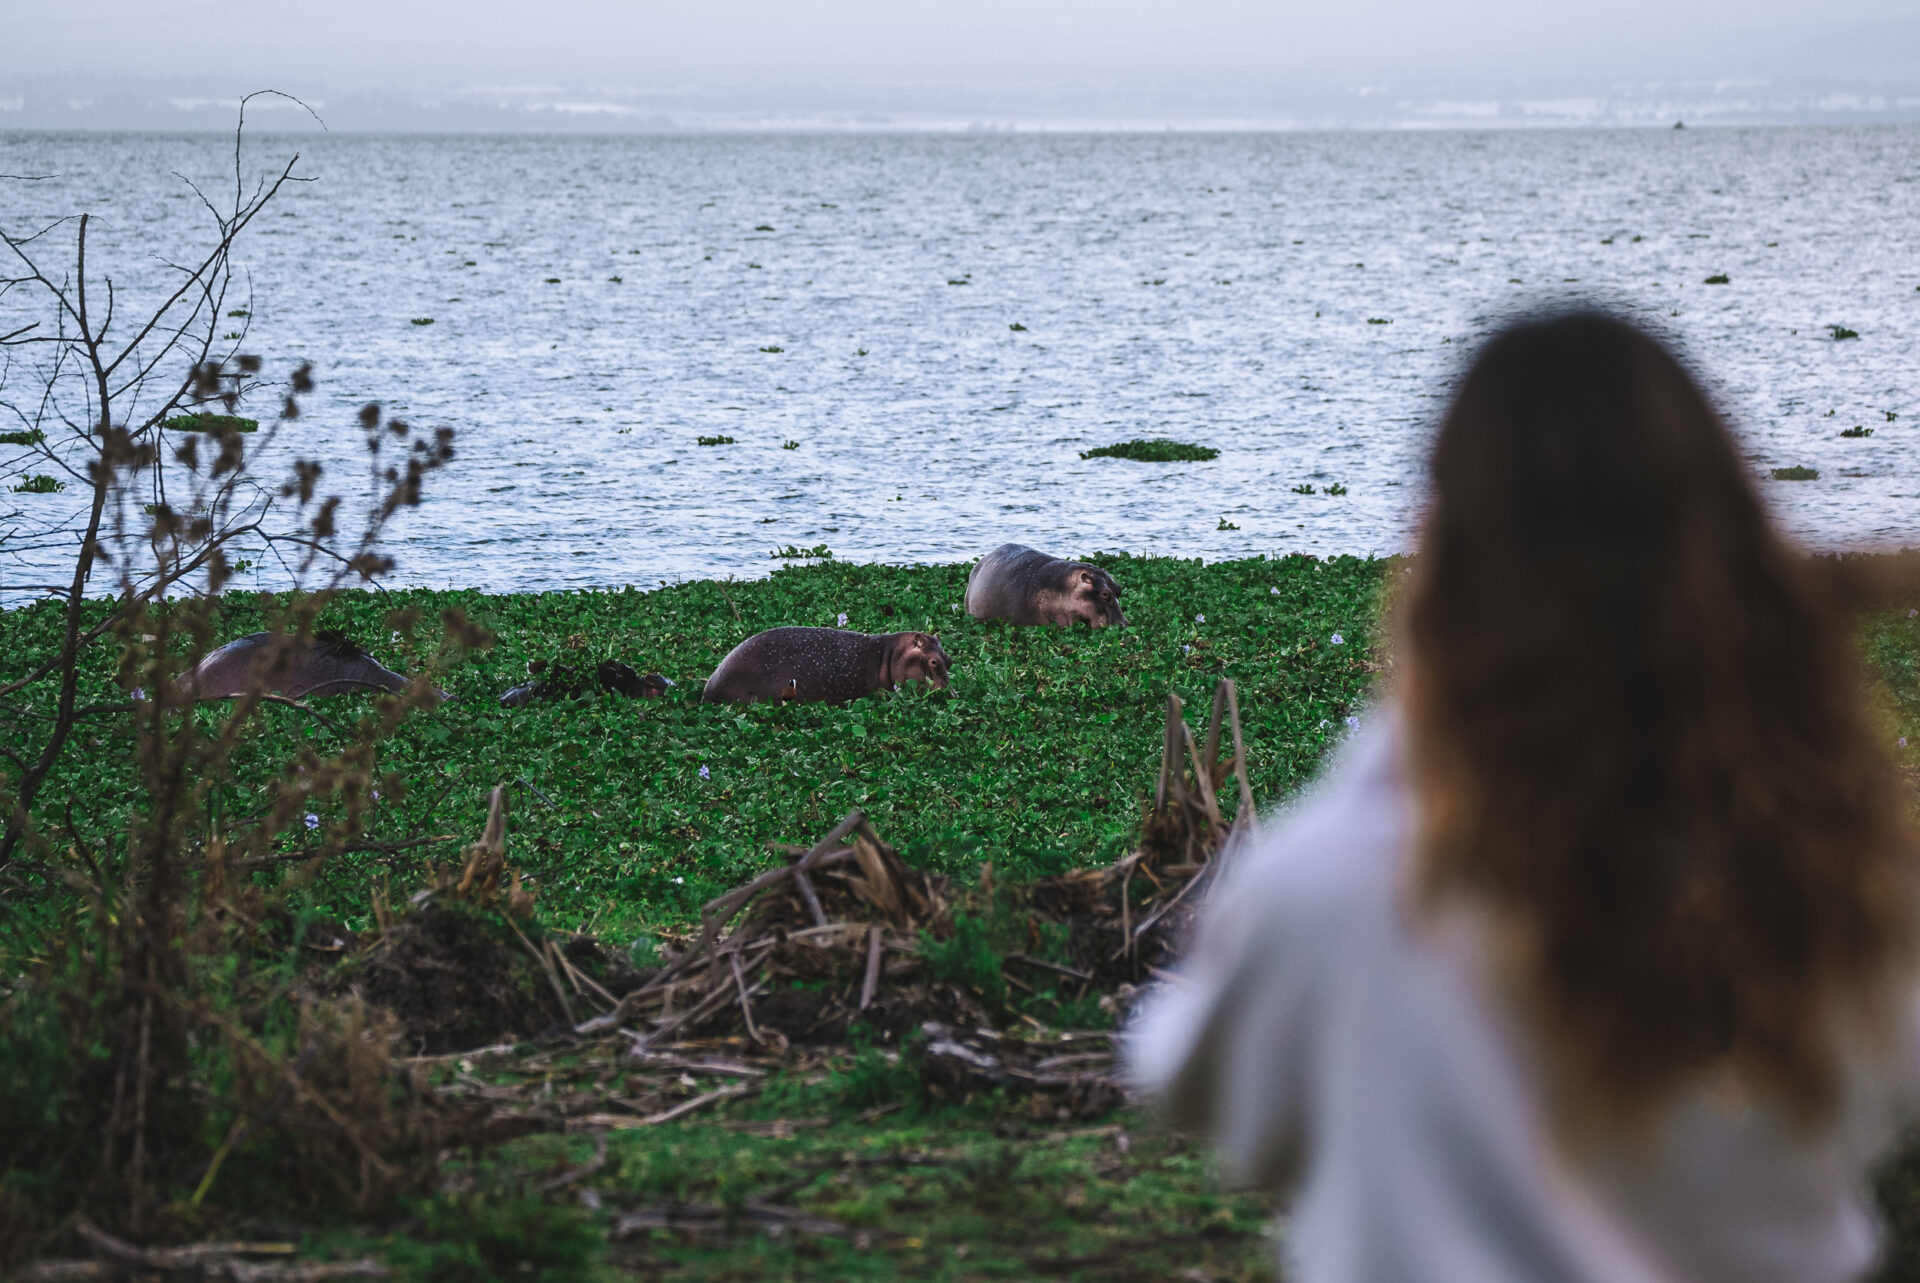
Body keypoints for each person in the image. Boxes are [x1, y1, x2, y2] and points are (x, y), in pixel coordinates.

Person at [1126, 310, 1920, 1282]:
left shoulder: (1339, 890)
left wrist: (1414, 716)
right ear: (1735, 544)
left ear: (1439, 561)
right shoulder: (1844, 875)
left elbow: (1193, 1086)